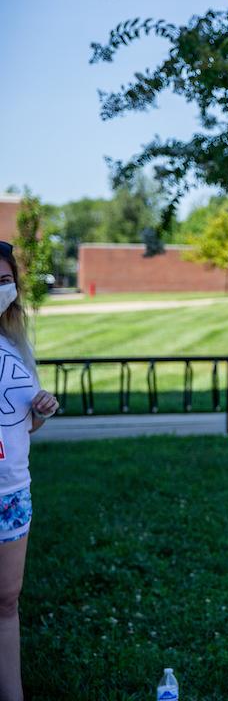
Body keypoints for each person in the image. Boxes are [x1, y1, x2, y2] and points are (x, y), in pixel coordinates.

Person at [0, 241, 59, 701]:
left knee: (6, 603)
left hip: (12, 493)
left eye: (5, 282)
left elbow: (26, 423)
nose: (1, 290)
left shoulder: (15, 345)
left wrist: (42, 408)